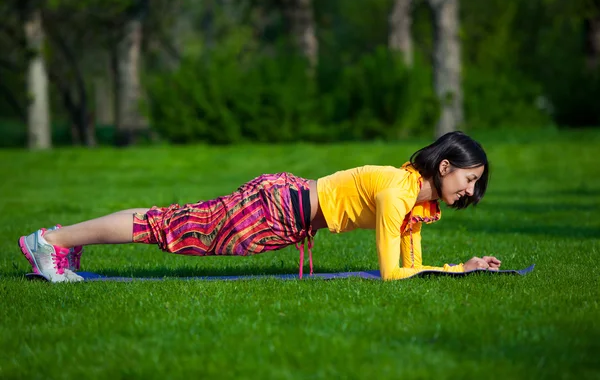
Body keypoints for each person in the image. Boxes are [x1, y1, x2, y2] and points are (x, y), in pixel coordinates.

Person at [18, 131, 501, 283]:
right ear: (445, 168)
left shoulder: (415, 199)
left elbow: (411, 268)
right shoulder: (398, 192)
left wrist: (465, 266)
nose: (470, 190)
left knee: (165, 224)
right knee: (166, 228)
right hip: (273, 211)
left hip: (283, 208)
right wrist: (458, 271)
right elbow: (393, 275)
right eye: (469, 178)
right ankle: (50, 243)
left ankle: (61, 244)